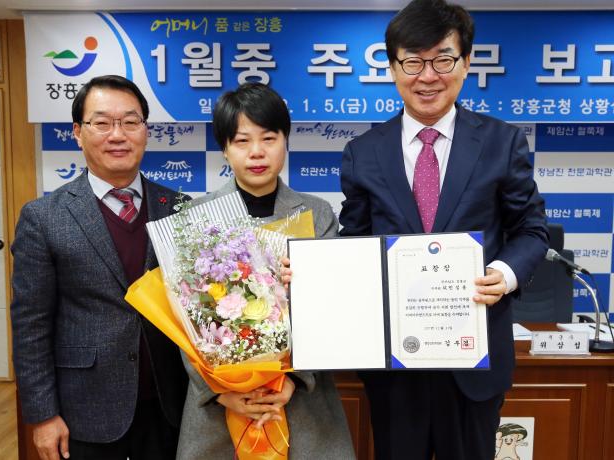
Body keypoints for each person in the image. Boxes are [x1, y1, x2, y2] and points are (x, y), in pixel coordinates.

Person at [339, 1, 548, 459]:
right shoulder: (363, 152)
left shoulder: (502, 142)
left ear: (466, 63)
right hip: (395, 365)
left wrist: (504, 274)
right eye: (413, 62)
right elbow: (353, 244)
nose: (428, 76)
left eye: (443, 60)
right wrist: (318, 274)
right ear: (393, 68)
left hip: (475, 358)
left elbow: (531, 229)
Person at [10, 75, 188, 460]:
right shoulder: (44, 217)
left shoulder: (180, 208)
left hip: (171, 408)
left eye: (130, 122)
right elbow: (30, 326)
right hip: (85, 412)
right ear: (78, 132)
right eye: (102, 123)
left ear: (146, 130)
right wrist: (43, 416)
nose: (117, 135)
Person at [176, 82, 355, 459]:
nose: (256, 152)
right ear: (225, 148)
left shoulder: (316, 213)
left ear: (285, 140)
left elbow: (332, 310)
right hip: (221, 408)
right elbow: (181, 320)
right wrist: (220, 391)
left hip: (302, 403)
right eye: (242, 141)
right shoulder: (198, 216)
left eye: (269, 138)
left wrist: (293, 380)